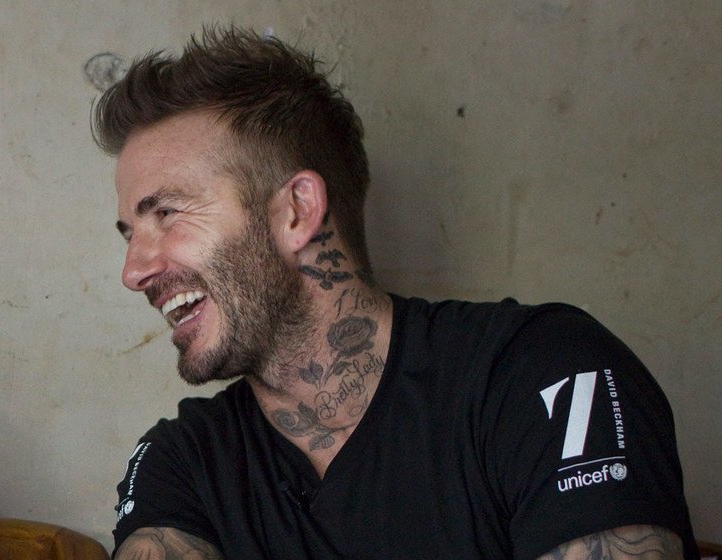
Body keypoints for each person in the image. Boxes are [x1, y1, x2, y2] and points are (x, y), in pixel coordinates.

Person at [94, 27, 696, 559]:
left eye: (167, 213)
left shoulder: (544, 377)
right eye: (130, 234)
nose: (134, 271)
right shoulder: (185, 460)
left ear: (296, 212)